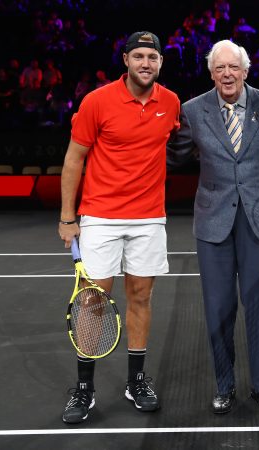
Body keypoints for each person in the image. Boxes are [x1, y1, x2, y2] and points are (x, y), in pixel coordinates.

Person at [58, 31, 180, 424]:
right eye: (139, 56)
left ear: (160, 62)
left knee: (141, 298)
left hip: (149, 218)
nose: (147, 63)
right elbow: (74, 159)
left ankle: (136, 381)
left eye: (153, 57)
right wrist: (67, 217)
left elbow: (172, 139)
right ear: (126, 59)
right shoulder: (97, 101)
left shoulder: (170, 102)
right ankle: (84, 388)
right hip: (100, 217)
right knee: (93, 303)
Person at [167, 39, 259, 415]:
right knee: (218, 309)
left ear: (246, 71)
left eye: (233, 67)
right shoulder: (193, 110)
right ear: (211, 73)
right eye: (219, 69)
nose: (227, 74)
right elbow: (171, 157)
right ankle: (224, 385)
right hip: (213, 223)